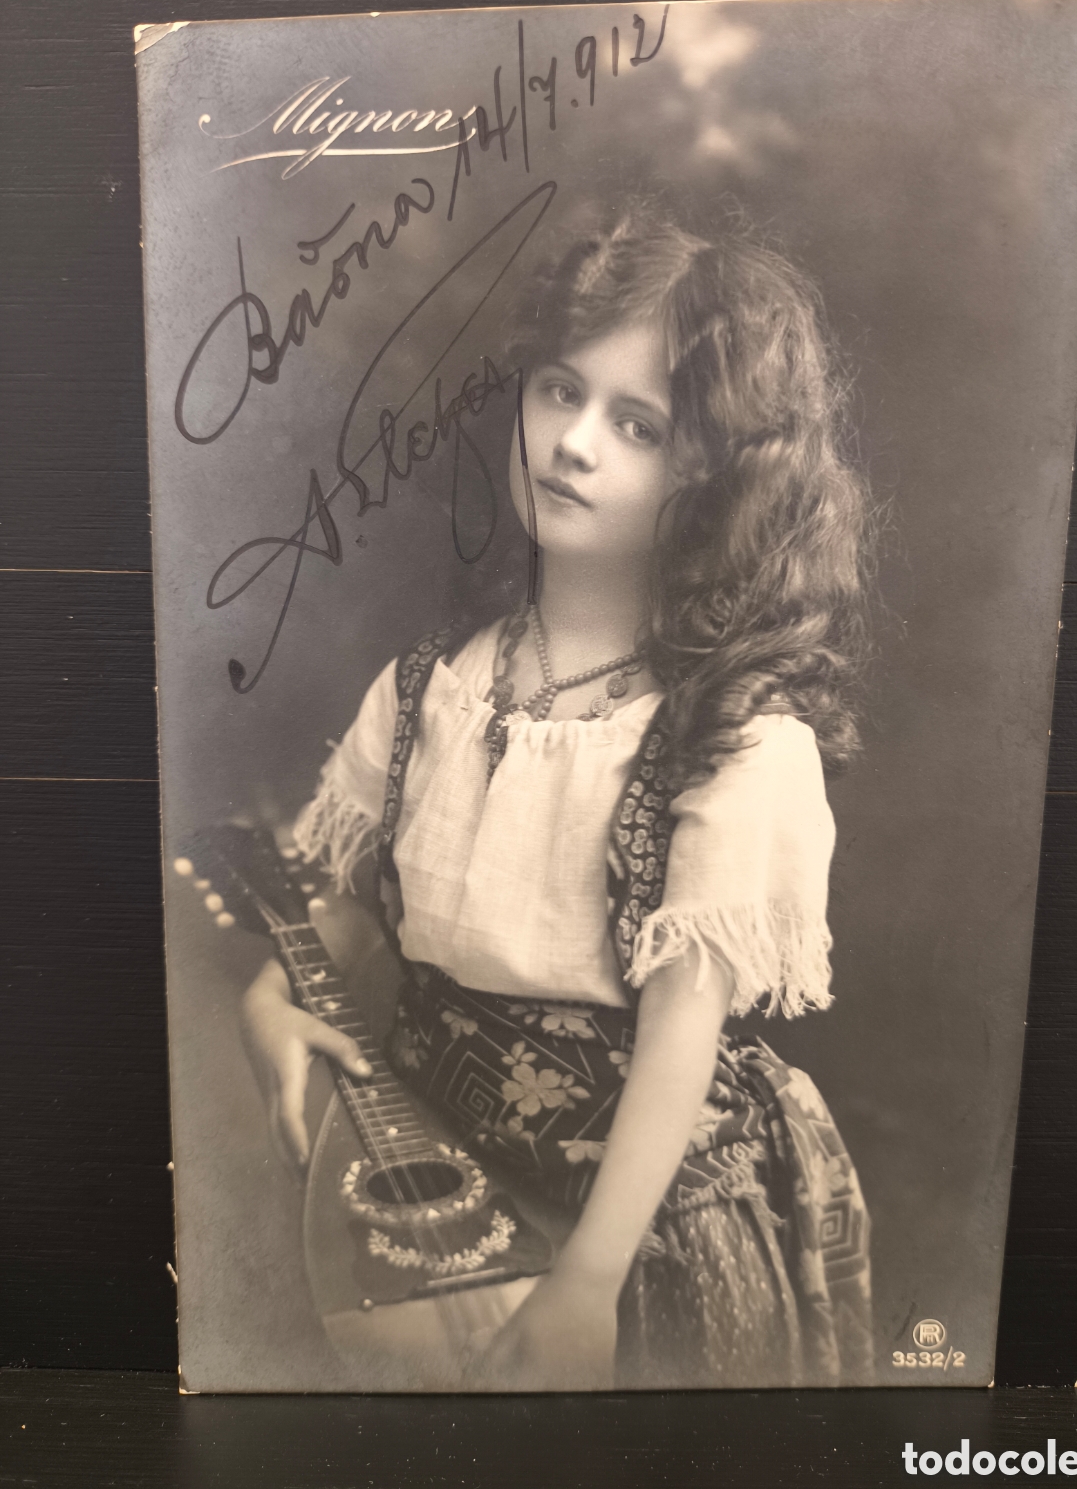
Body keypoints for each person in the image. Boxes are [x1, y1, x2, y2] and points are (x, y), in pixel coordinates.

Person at [239, 204, 876, 1390]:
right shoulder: (430, 683)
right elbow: (354, 906)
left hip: (634, 1230)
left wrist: (589, 1280)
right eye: (557, 391)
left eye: (635, 423)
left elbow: (684, 1029)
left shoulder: (732, 740)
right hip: (448, 1199)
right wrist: (275, 997)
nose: (571, 442)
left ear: (717, 475)